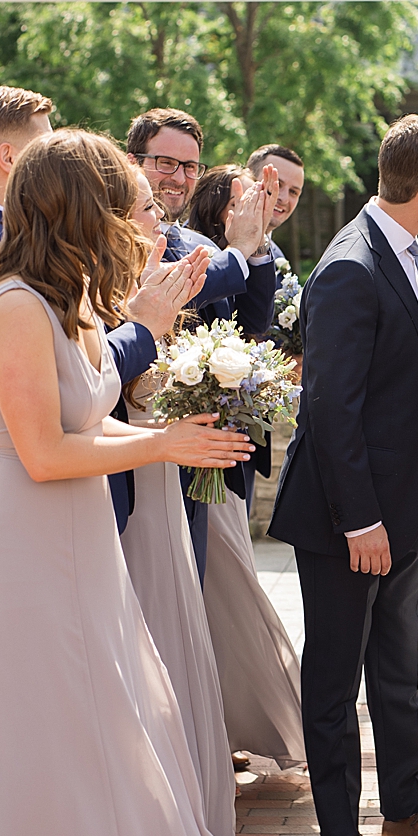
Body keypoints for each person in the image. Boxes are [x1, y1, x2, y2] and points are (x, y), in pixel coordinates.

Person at [0, 129, 268, 836]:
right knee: (43, 722)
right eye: (121, 201)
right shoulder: (15, 303)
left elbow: (85, 417)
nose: (137, 218)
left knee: (110, 715)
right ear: (79, 206)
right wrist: (164, 443)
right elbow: (44, 451)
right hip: (25, 537)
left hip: (77, 528)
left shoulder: (74, 299)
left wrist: (175, 436)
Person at [267, 114, 418, 836]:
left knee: (394, 670)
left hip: (403, 510)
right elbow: (330, 408)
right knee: (334, 678)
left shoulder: (407, 253)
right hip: (345, 521)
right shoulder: (352, 267)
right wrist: (361, 520)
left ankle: (405, 816)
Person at [0, 85, 198, 529]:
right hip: (29, 500)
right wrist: (143, 326)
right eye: (45, 142)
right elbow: (54, 385)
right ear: (10, 158)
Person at [116, 165, 249, 836]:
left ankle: (185, 805)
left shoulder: (167, 275)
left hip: (168, 473)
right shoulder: (112, 293)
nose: (161, 222)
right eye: (146, 208)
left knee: (176, 630)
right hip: (128, 476)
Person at [188, 163, 310, 774]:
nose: (270, 207)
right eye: (255, 200)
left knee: (224, 580)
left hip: (233, 446)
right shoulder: (195, 258)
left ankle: (230, 722)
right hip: (195, 446)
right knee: (219, 582)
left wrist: (255, 253)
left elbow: (257, 326)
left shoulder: (254, 260)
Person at [125, 108, 278, 578]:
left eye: (190, 166)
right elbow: (177, 286)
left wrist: (260, 242)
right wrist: (238, 249)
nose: (179, 178)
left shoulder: (198, 242)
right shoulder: (113, 239)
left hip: (201, 448)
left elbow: (252, 320)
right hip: (136, 438)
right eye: (166, 163)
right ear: (133, 161)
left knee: (196, 582)